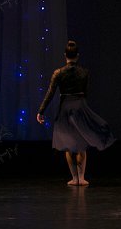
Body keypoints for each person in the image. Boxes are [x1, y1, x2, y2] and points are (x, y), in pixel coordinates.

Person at [37, 40, 115, 186]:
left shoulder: (58, 73)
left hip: (65, 107)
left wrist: (41, 111)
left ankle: (74, 178)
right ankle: (81, 177)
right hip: (79, 106)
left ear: (65, 55)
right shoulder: (84, 72)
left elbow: (50, 93)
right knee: (81, 143)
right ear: (77, 55)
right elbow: (85, 92)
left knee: (68, 145)